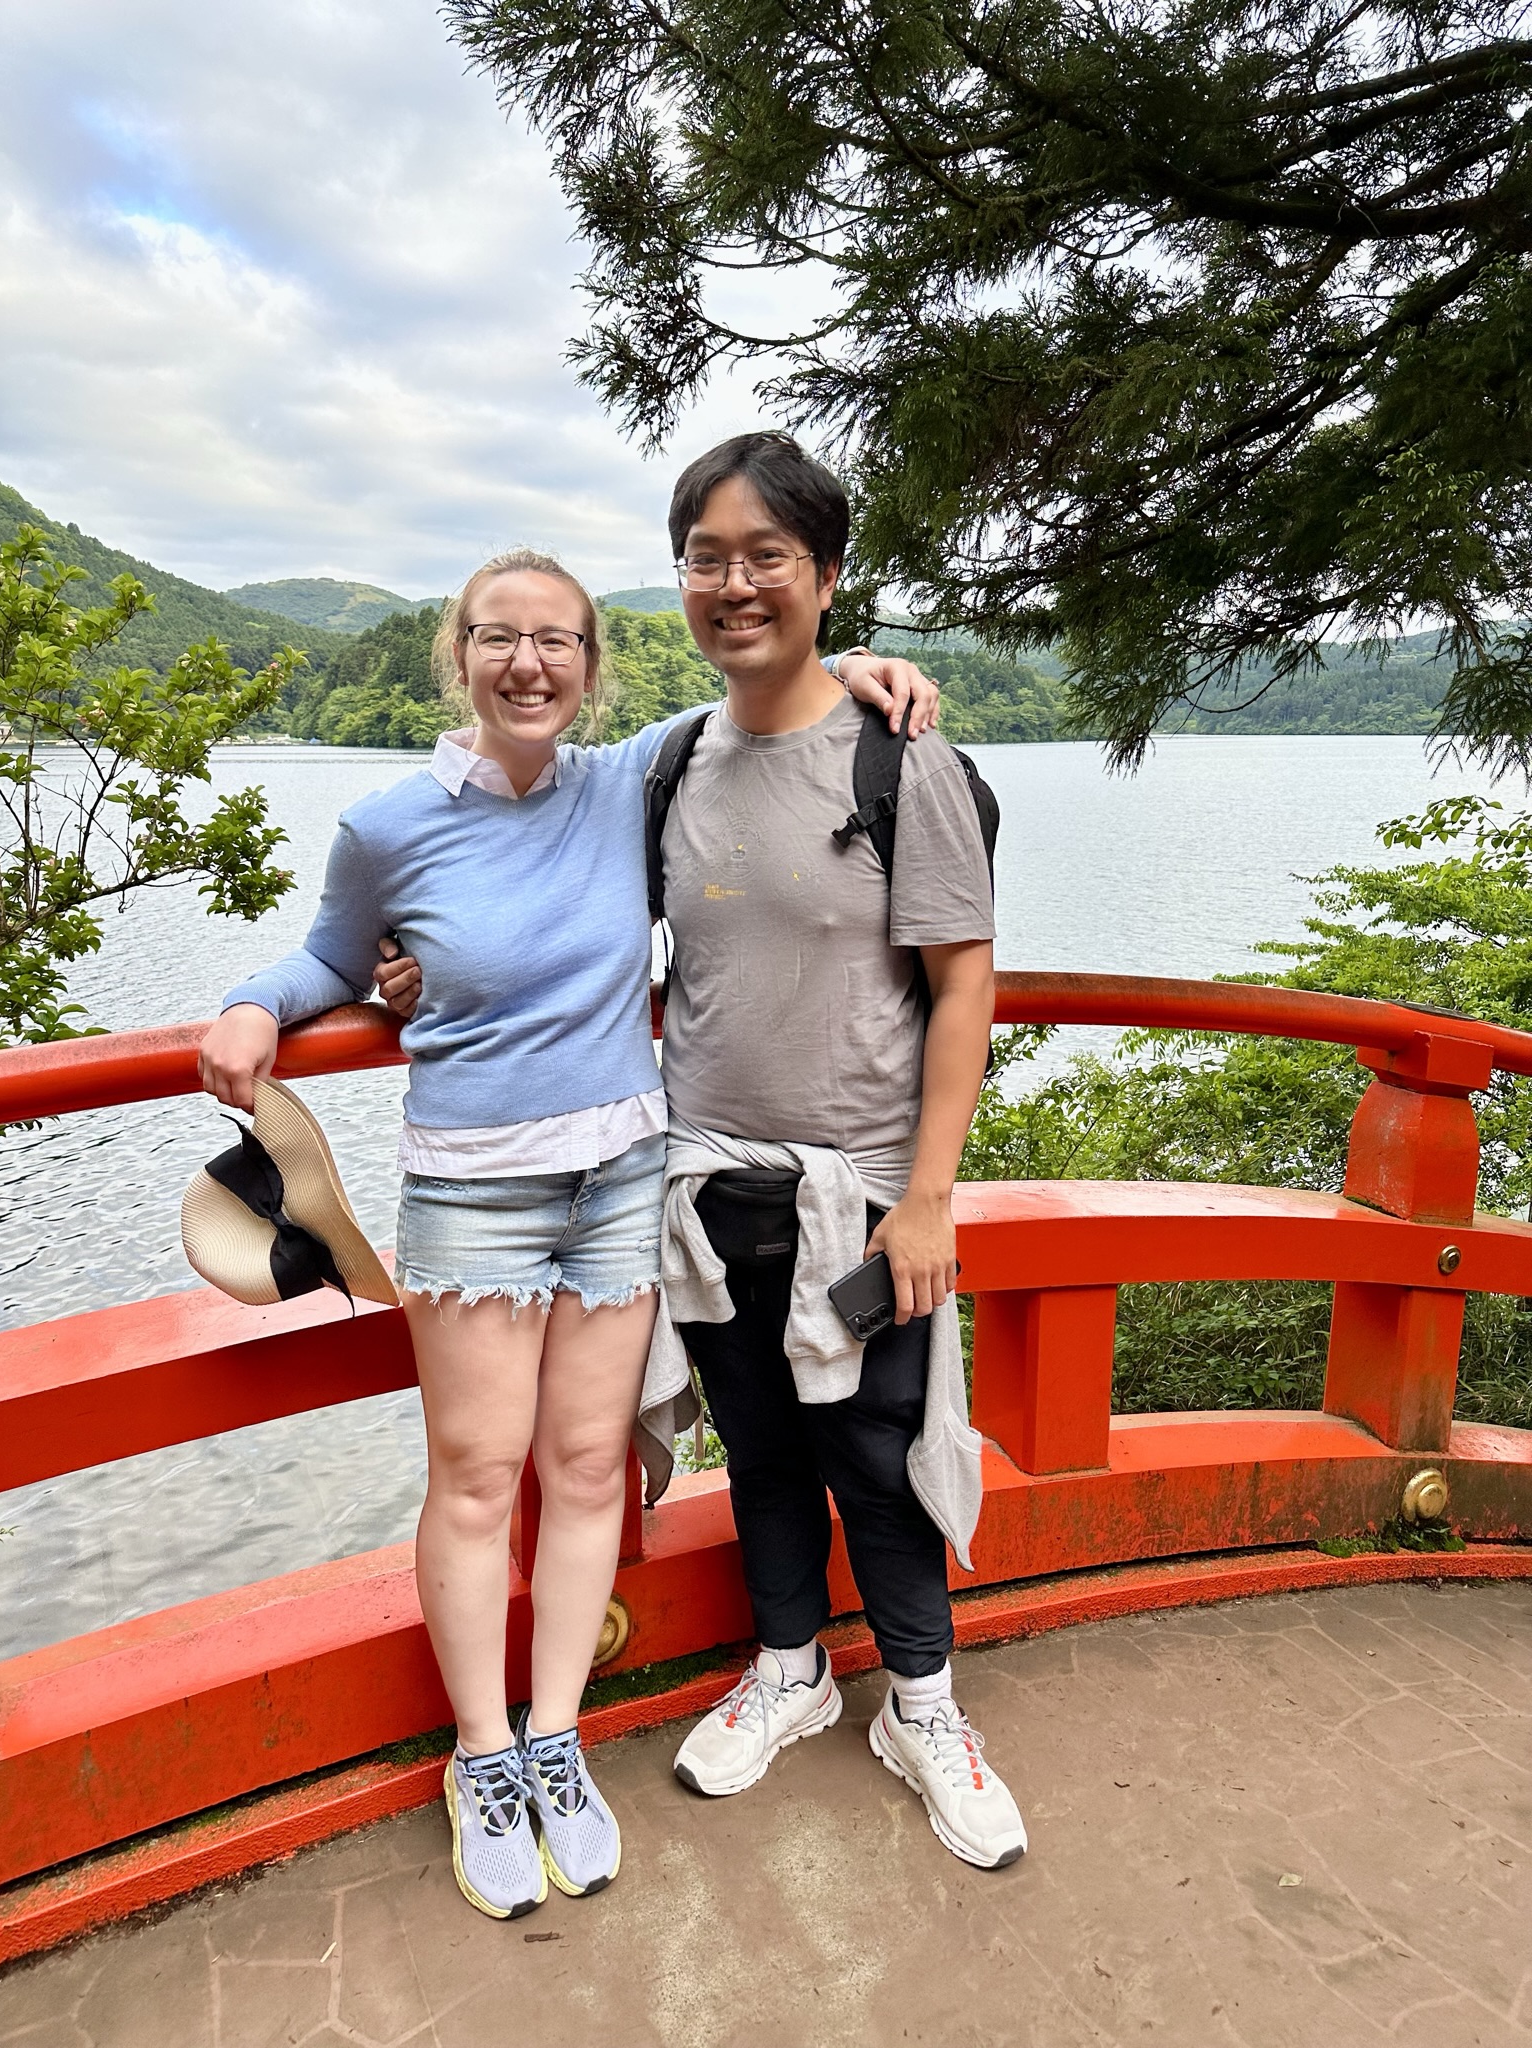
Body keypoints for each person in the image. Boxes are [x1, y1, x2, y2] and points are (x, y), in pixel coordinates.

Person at [197, 544, 936, 1922]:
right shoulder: (388, 823)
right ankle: (481, 1758)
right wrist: (257, 1003)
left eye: (557, 642)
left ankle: (556, 1735)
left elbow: (763, 700)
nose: (527, 663)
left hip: (619, 1179)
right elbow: (329, 958)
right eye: (498, 639)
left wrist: (865, 672)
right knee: (479, 1479)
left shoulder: (631, 784)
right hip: (471, 1187)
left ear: (593, 669)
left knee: (589, 1467)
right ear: (460, 657)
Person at [639, 433, 1027, 1869]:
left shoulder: (897, 753)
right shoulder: (674, 761)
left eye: (765, 557)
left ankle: (923, 1706)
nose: (733, 584)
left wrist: (929, 1200)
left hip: (859, 1199)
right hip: (706, 1186)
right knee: (759, 1453)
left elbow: (965, 983)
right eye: (706, 556)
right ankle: (794, 1674)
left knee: (876, 1453)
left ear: (825, 576)